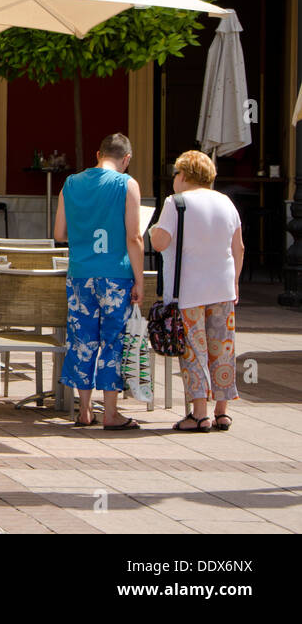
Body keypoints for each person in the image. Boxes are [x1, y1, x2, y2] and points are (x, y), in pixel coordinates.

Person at [54, 133, 145, 431]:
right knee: (112, 342)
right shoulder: (127, 184)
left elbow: (59, 234)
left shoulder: (71, 183)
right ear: (127, 159)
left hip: (80, 274)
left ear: (97, 154)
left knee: (82, 341)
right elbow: (134, 237)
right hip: (116, 276)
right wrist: (140, 281)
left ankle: (83, 411)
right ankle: (110, 413)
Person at [150, 150, 244, 433]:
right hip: (223, 286)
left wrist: (153, 229)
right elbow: (238, 247)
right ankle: (222, 412)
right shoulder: (226, 202)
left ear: (184, 176)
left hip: (189, 290)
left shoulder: (175, 203)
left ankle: (199, 413)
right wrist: (236, 282)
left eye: (177, 174)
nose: (175, 180)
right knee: (223, 349)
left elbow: (160, 241)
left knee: (193, 351)